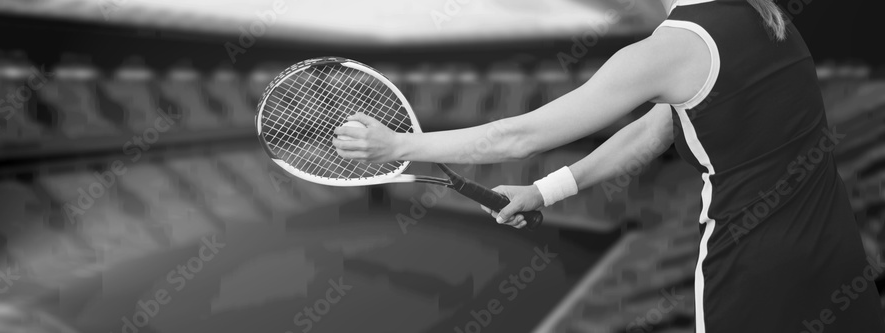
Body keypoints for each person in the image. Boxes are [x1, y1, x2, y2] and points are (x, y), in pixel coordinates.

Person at [331, 0, 885, 331]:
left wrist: (398, 146)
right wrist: (545, 192)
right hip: (835, 255)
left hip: (752, 270)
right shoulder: (769, 19)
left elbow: (517, 135)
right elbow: (654, 129)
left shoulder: (669, 49)